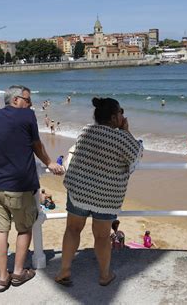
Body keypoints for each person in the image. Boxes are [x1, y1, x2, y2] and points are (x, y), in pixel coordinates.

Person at [0, 85, 64, 292]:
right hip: (19, 186)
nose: (31, 103)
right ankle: (17, 272)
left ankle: (1, 277)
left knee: (0, 230)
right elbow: (37, 145)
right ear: (16, 100)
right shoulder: (27, 116)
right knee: (24, 229)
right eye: (27, 99)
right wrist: (50, 162)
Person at [56, 97, 143, 287]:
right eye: (121, 112)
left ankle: (64, 270)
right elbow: (136, 158)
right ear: (114, 117)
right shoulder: (122, 138)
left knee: (72, 230)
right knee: (102, 237)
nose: (123, 115)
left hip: (79, 192)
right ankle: (104, 275)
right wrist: (126, 132)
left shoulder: (86, 131)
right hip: (106, 196)